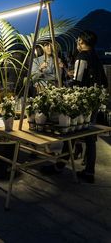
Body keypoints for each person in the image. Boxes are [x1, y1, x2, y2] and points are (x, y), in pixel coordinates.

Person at [42, 30, 108, 183]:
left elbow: (77, 82)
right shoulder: (97, 59)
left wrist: (65, 92)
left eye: (78, 41)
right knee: (90, 137)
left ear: (81, 42)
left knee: (69, 134)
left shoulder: (82, 57)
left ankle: (59, 166)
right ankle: (89, 172)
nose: (77, 43)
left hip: (81, 102)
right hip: (94, 101)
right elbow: (103, 82)